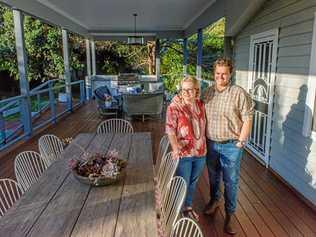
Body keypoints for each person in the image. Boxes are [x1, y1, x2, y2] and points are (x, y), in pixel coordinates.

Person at [203, 58, 254, 235]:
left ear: (230, 73)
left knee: (231, 181)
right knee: (213, 176)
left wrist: (241, 141)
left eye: (224, 73)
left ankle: (230, 215)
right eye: (217, 73)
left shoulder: (238, 93)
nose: (220, 76)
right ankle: (214, 200)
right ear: (214, 74)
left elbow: (248, 117)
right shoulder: (207, 92)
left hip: (232, 145)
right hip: (211, 143)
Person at [165, 75, 206, 221]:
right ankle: (173, 212)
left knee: (193, 182)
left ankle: (187, 208)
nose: (187, 93)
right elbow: (170, 129)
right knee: (182, 182)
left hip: (201, 152)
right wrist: (175, 148)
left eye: (190, 90)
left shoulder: (201, 105)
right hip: (184, 153)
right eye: (184, 90)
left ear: (196, 90)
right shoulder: (175, 107)